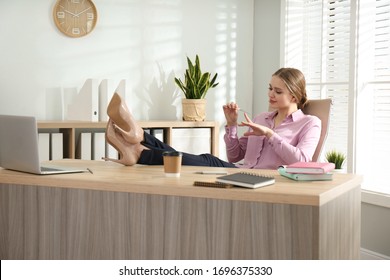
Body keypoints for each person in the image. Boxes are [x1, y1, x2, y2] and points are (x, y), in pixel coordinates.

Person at [103, 67, 321, 170]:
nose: (270, 94)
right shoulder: (262, 118)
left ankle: (139, 147)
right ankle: (139, 139)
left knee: (207, 160)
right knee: (202, 159)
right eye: (270, 88)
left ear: (294, 95)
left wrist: (270, 134)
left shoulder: (310, 123)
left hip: (269, 181)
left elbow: (301, 160)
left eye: (278, 91)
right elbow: (235, 156)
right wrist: (232, 125)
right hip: (242, 172)